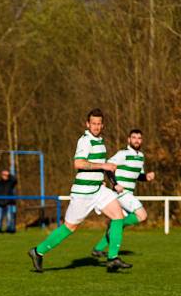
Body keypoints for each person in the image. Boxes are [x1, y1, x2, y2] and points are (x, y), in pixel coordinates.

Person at [28, 108, 130, 273]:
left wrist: (114, 183)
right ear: (87, 124)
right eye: (93, 123)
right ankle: (38, 251)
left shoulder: (100, 141)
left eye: (99, 124)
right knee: (70, 227)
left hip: (98, 190)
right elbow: (79, 163)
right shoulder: (85, 141)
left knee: (118, 216)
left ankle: (113, 258)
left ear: (102, 125)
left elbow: (103, 167)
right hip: (83, 193)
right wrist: (103, 165)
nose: (96, 126)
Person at [91, 129, 155, 257]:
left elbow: (137, 176)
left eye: (139, 138)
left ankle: (98, 249)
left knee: (118, 224)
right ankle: (112, 254)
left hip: (128, 194)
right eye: (134, 137)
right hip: (121, 193)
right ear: (128, 140)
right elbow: (107, 168)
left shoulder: (141, 156)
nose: (137, 140)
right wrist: (115, 184)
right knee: (142, 215)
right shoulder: (122, 154)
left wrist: (146, 177)